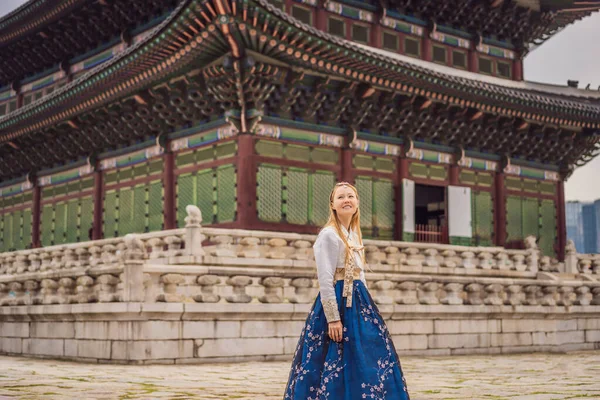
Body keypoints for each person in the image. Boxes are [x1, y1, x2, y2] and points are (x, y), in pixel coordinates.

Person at [284, 182, 410, 400]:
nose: (346, 200)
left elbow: (360, 276)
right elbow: (325, 279)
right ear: (332, 204)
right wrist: (333, 318)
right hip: (339, 302)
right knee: (333, 358)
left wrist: (368, 309)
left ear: (357, 202)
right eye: (341, 197)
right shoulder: (329, 235)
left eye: (350, 196)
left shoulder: (354, 235)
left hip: (359, 303)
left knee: (367, 356)